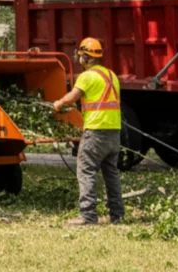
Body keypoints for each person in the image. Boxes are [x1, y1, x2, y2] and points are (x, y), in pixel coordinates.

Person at [52, 36, 125, 227]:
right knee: (111, 173)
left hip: (96, 132)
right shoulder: (111, 75)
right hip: (114, 132)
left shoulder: (87, 76)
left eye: (80, 56)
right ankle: (117, 215)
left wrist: (58, 103)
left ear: (85, 57)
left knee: (86, 170)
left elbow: (72, 97)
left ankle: (88, 215)